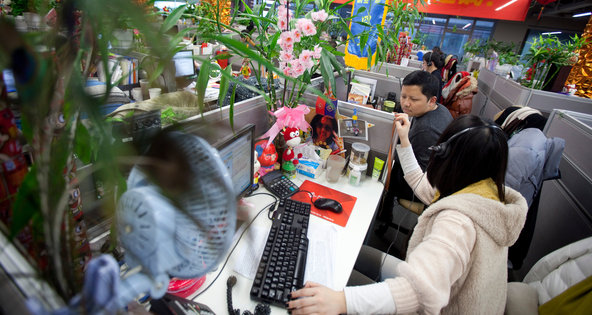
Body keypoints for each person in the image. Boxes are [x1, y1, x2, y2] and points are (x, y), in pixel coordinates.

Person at [287, 114, 528, 314]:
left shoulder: (457, 222)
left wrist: (341, 301)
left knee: (328, 283)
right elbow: (423, 186)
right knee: (348, 249)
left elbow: (419, 293)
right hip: (442, 292)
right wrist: (404, 140)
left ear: (446, 154)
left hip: (433, 305)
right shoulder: (484, 194)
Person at [377, 70, 452, 229]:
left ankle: (382, 215)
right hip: (436, 179)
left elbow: (418, 177)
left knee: (380, 173)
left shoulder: (427, 130)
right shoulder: (440, 110)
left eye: (413, 99)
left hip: (420, 188)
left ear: (431, 100)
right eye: (403, 96)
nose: (406, 103)